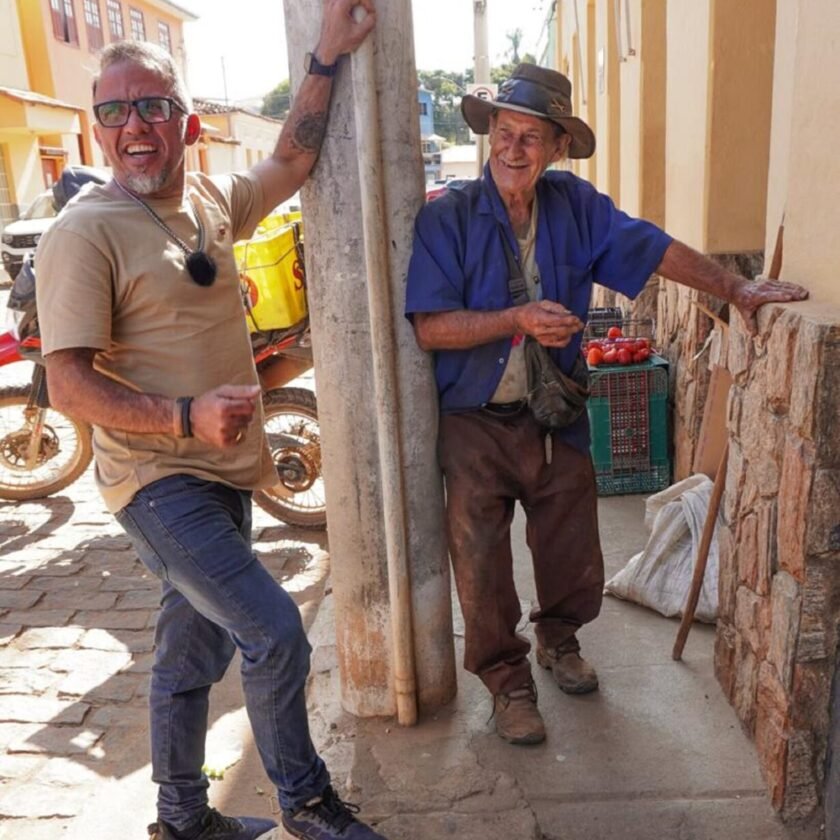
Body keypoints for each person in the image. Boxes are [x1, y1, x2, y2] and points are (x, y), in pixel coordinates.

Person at [35, 2, 387, 839]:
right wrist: (185, 414)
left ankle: (183, 820)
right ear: (98, 130)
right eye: (112, 111)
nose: (132, 126)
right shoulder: (83, 235)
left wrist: (327, 54)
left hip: (228, 476)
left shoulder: (208, 201)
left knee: (190, 655)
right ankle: (306, 803)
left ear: (186, 121)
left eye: (150, 105)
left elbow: (293, 156)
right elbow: (69, 385)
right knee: (274, 633)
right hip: (157, 481)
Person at [404, 64, 808, 747]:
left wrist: (735, 290)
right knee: (479, 558)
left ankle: (558, 642)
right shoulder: (447, 217)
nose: (514, 149)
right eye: (505, 132)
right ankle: (506, 682)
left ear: (558, 148)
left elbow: (652, 248)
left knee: (570, 543)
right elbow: (430, 327)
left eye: (533, 137)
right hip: (473, 417)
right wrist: (519, 319)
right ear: (488, 136)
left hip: (554, 407)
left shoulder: (576, 205)